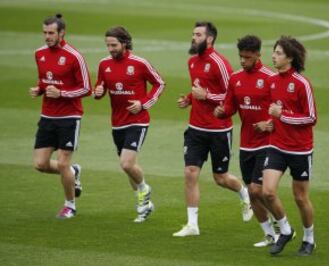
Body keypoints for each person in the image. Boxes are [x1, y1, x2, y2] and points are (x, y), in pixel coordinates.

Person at [173, 21, 252, 237]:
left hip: (218, 130)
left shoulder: (219, 63)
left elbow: (231, 95)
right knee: (190, 173)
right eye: (193, 34)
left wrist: (205, 96)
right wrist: (189, 99)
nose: (193, 37)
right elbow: (198, 89)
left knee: (221, 178)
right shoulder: (191, 62)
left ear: (209, 39)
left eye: (198, 34)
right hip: (195, 129)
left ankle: (244, 193)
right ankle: (192, 225)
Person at [93, 26, 165, 223]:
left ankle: (144, 189)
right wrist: (98, 93)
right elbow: (100, 87)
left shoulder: (139, 63)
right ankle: (144, 204)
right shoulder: (103, 64)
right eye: (108, 45)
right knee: (128, 167)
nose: (110, 49)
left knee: (126, 163)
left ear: (124, 43)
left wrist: (143, 104)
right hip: (117, 123)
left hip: (138, 121)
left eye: (114, 45)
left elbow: (160, 83)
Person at [214, 35, 280, 247]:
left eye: (248, 57)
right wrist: (222, 112)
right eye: (241, 57)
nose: (243, 61)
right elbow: (230, 106)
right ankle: (270, 234)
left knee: (255, 190)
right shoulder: (235, 78)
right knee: (253, 195)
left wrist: (269, 122)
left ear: (258, 55)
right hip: (246, 144)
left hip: (268, 143)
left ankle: (283, 226)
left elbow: (281, 110)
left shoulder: (271, 78)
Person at [30, 14, 91, 219]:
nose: (47, 36)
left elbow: (86, 88)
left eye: (51, 33)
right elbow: (44, 80)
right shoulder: (39, 54)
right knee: (41, 164)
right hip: (47, 115)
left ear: (61, 33)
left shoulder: (74, 56)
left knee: (62, 162)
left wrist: (62, 93)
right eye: (45, 32)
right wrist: (38, 89)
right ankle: (73, 172)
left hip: (69, 117)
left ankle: (70, 205)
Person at [262, 36, 317, 256]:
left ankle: (309, 239)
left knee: (300, 198)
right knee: (267, 192)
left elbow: (311, 117)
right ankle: (285, 230)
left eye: (278, 53)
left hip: (300, 149)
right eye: (274, 52)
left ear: (290, 58)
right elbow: (275, 112)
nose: (273, 56)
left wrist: (283, 116)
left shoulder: (302, 83)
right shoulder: (272, 81)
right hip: (276, 146)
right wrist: (269, 123)